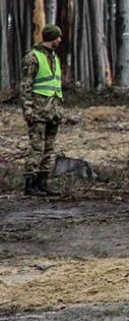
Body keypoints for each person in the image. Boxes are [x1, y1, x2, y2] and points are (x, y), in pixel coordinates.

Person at [21, 24, 65, 197]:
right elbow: (25, 86)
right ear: (52, 38)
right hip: (38, 111)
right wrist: (28, 110)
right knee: (36, 148)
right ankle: (30, 184)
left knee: (49, 149)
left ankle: (42, 183)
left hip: (53, 112)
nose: (60, 40)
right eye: (58, 37)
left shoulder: (54, 58)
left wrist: (60, 109)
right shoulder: (33, 57)